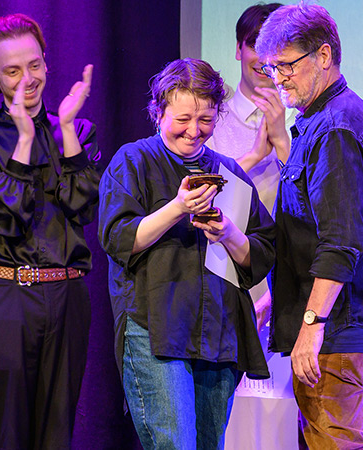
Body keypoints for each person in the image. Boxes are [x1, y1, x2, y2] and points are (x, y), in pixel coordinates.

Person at [254, 3, 363, 448]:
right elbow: (309, 231)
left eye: (286, 65)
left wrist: (312, 322)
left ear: (323, 56)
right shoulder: (320, 120)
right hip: (336, 323)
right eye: (271, 68)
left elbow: (342, 240)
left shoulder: (336, 127)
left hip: (339, 328)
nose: (278, 78)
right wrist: (274, 298)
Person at [98, 58, 274, 449]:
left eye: (206, 120)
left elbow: (261, 254)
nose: (195, 131)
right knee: (175, 443)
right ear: (158, 112)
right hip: (155, 329)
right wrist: (178, 207)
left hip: (217, 330)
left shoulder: (229, 171)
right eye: (182, 119)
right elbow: (118, 237)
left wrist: (230, 234)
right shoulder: (133, 162)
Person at [0, 13, 97, 449]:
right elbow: (2, 217)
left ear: (46, 63)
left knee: (57, 436)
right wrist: (21, 140)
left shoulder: (74, 128)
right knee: (8, 435)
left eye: (34, 65)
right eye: (12, 71)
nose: (27, 79)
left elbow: (84, 206)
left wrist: (67, 129)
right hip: (9, 298)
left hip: (67, 295)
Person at [207, 4, 300, 449]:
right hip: (226, 275)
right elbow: (198, 197)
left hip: (288, 278)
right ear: (240, 49)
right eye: (255, 48)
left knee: (284, 414)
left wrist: (282, 141)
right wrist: (252, 159)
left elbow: (314, 200)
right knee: (230, 415)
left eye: (276, 51)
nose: (265, 61)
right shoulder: (212, 119)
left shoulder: (304, 113)